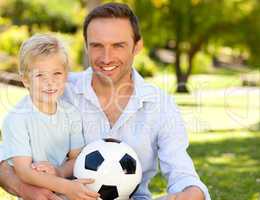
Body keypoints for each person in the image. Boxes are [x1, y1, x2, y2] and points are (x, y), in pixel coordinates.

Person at [0, 3, 211, 200]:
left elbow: (183, 176)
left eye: (118, 45)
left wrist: (191, 194)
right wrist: (26, 189)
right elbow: (5, 159)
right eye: (97, 46)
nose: (106, 57)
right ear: (86, 46)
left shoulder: (160, 105)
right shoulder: (57, 89)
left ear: (137, 46)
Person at [0, 34, 100, 200]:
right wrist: (67, 187)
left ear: (66, 76)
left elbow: (76, 158)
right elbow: (23, 172)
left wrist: (59, 172)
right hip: (36, 196)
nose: (50, 82)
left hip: (67, 191)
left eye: (57, 74)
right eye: (40, 76)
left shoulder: (71, 113)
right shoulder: (17, 119)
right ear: (25, 80)